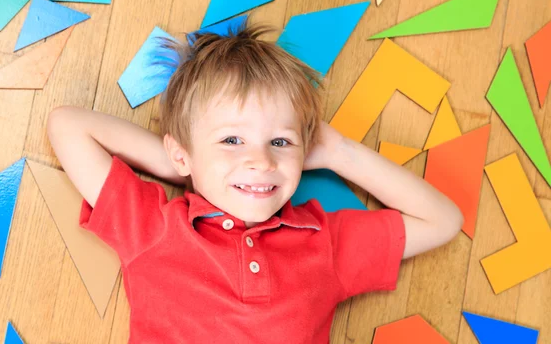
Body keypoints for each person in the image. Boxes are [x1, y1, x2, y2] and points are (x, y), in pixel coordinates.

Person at [47, 22, 463, 343]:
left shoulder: (322, 244)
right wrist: (184, 165)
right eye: (231, 140)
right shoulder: (154, 228)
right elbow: (68, 126)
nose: (261, 161)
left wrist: (340, 153)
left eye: (280, 141)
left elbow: (442, 221)